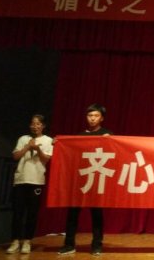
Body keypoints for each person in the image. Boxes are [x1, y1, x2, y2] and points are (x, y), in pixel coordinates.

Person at [58, 104, 113, 257]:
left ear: (101, 118)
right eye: (90, 116)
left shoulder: (107, 134)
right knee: (73, 213)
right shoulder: (80, 136)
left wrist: (110, 141)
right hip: (80, 180)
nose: (92, 119)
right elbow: (71, 154)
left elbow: (114, 155)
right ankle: (69, 244)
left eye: (96, 116)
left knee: (96, 214)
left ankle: (97, 245)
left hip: (96, 179)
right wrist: (60, 144)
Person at [7, 114, 53, 255]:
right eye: (33, 124)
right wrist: (28, 146)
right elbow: (15, 156)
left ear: (43, 126)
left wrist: (37, 149)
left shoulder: (48, 140)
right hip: (20, 179)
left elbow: (46, 159)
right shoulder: (23, 139)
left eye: (38, 124)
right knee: (18, 212)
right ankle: (15, 241)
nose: (35, 126)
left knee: (32, 213)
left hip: (36, 180)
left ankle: (27, 241)